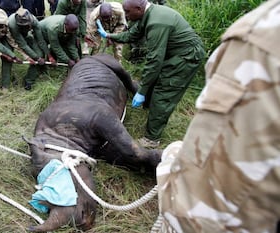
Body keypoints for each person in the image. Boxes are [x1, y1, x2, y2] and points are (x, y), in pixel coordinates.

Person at [156, 0, 280, 232]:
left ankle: (152, 136)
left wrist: (170, 159)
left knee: (164, 95)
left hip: (184, 57)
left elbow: (200, 215)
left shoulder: (264, 41)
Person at [99, 0, 205, 148]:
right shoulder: (146, 15)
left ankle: (152, 139)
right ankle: (150, 107)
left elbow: (155, 60)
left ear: (139, 8)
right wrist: (110, 35)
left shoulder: (156, 23)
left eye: (128, 12)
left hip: (186, 57)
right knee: (153, 81)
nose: (126, 16)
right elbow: (131, 35)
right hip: (174, 53)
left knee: (164, 92)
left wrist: (142, 91)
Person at [9, 8, 56, 90]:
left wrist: (49, 55)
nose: (28, 26)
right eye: (25, 26)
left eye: (28, 25)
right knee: (35, 58)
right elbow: (23, 45)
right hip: (12, 38)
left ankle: (42, 70)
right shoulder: (13, 25)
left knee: (40, 54)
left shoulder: (34, 20)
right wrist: (37, 58)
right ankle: (28, 81)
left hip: (27, 35)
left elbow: (40, 40)